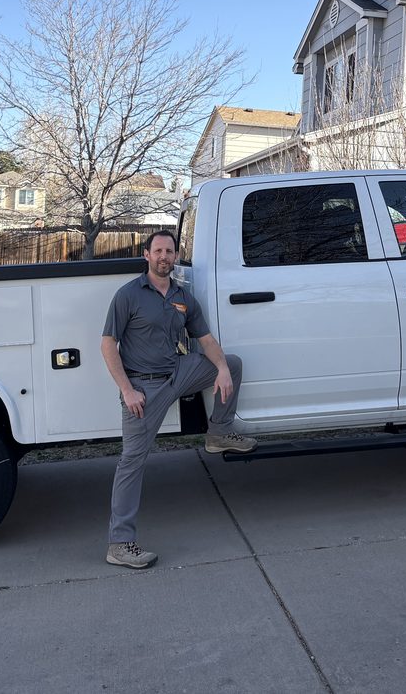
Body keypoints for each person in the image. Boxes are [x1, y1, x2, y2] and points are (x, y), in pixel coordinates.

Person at [101, 229, 256, 569]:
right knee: (132, 462)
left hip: (178, 372)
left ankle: (218, 433)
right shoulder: (128, 295)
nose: (164, 257)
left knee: (231, 363)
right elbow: (108, 344)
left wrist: (221, 370)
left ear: (175, 256)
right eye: (158, 251)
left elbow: (206, 338)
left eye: (169, 251)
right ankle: (120, 544)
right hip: (145, 388)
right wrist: (128, 390)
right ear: (146, 255)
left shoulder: (182, 295)